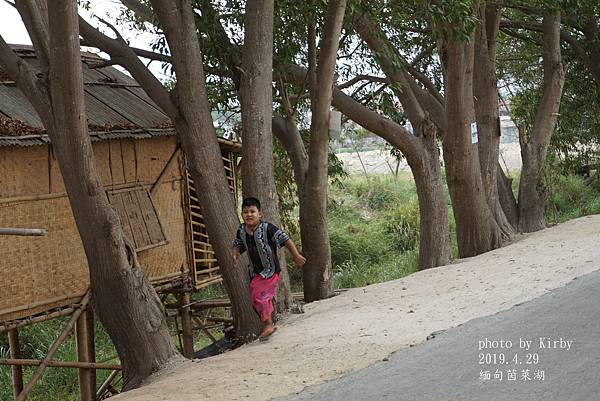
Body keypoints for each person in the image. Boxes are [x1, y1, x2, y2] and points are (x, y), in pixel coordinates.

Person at [232, 197, 306, 340]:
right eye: (245, 212)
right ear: (242, 215)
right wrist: (235, 253)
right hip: (255, 272)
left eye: (252, 211)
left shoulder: (268, 228)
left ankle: (269, 324)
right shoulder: (241, 230)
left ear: (260, 214)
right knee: (256, 298)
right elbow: (238, 244)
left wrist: (296, 256)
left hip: (270, 271)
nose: (249, 215)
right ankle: (269, 321)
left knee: (259, 296)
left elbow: (286, 239)